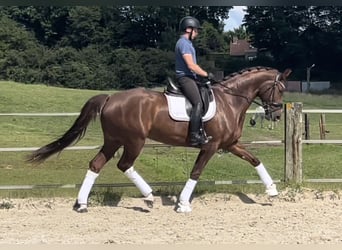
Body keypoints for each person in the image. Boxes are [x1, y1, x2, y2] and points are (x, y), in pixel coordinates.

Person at [175, 16, 215, 146]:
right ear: (188, 29)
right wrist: (206, 74)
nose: (197, 33)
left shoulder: (188, 44)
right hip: (185, 78)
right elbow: (191, 65)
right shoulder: (184, 44)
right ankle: (194, 136)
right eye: (196, 31)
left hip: (191, 77)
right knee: (197, 102)